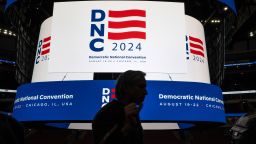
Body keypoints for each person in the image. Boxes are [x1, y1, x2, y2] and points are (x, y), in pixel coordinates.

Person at [92, 70, 147, 144]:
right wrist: (125, 129)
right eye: (141, 87)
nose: (146, 92)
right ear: (126, 88)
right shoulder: (106, 114)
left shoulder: (132, 113)